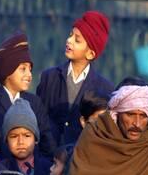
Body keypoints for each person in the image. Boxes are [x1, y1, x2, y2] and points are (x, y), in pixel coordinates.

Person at [37, 11, 114, 146]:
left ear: (90, 54)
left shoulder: (105, 88)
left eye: (77, 40)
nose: (69, 40)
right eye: (70, 35)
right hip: (48, 157)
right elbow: (40, 118)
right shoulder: (49, 78)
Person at [0, 31, 55, 159]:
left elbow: (46, 138)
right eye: (23, 69)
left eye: (30, 69)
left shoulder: (34, 102)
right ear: (7, 72)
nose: (29, 75)